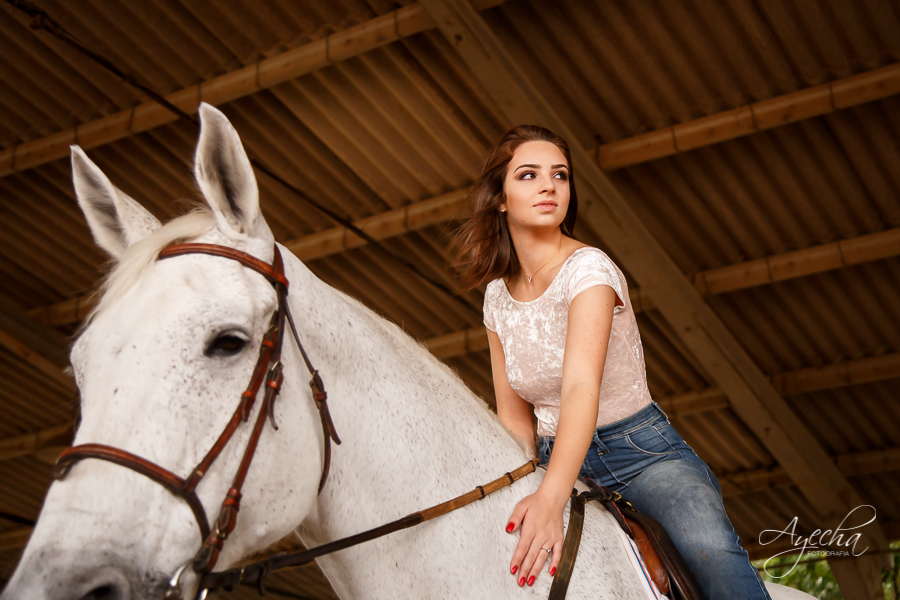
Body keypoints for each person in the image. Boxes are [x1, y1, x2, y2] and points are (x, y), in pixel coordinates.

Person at [451, 124, 772, 599]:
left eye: (560, 175)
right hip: (548, 456)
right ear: (500, 198)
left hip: (642, 454)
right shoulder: (496, 297)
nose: (548, 186)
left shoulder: (589, 269)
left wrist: (552, 497)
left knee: (711, 553)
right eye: (528, 175)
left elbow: (582, 387)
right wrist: (519, 487)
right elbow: (514, 419)